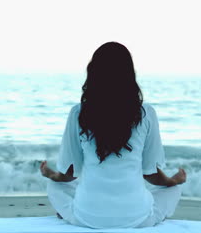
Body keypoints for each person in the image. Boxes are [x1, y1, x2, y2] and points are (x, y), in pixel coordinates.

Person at [39, 41, 186, 229]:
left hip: (87, 218)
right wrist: (175, 180)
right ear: (129, 75)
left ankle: (69, 212)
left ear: (93, 74)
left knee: (54, 186)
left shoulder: (78, 113)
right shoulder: (146, 113)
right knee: (172, 191)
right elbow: (151, 175)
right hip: (137, 218)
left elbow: (69, 176)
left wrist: (50, 173)